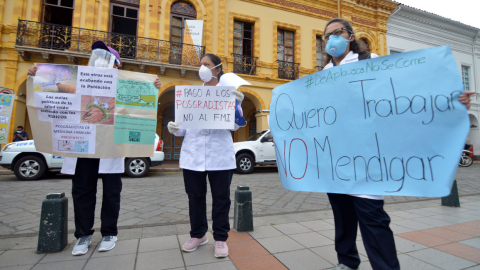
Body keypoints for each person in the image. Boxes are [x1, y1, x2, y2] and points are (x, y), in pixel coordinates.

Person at [321, 18, 473, 270]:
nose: (331, 39)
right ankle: (346, 262)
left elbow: (404, 93)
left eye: (337, 32)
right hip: (336, 159)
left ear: (350, 36)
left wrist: (450, 100)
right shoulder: (322, 75)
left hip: (367, 158)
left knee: (372, 218)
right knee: (342, 216)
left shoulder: (370, 63)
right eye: (327, 36)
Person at [28, 40, 162, 256]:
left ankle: (109, 232)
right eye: (96, 56)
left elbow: (140, 106)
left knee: (111, 193)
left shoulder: (126, 82)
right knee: (82, 191)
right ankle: (83, 234)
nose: (99, 61)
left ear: (116, 65)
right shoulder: (79, 80)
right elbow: (50, 88)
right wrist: (37, 75)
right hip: (83, 146)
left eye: (105, 58)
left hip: (111, 147)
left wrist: (153, 87)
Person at [167, 54, 244, 258]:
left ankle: (220, 238)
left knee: (221, 199)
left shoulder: (229, 94)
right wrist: (175, 128)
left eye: (206, 65)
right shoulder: (191, 94)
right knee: (195, 198)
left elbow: (235, 126)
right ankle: (198, 235)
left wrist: (237, 108)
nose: (202, 68)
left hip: (220, 156)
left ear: (217, 69)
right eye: (200, 65)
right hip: (193, 156)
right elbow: (183, 128)